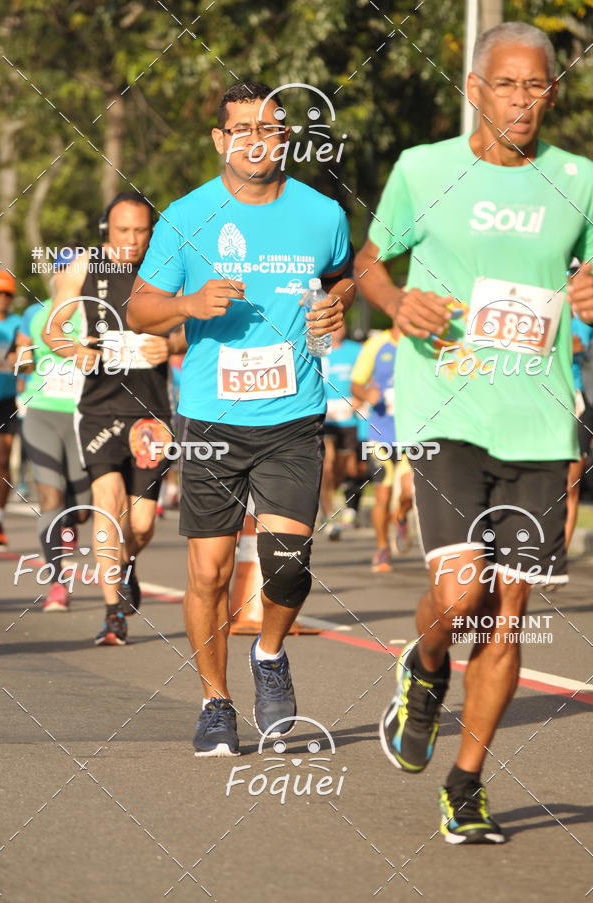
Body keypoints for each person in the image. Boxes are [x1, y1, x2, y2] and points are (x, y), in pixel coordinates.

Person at [355, 22, 593, 844]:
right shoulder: (423, 170)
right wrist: (395, 301)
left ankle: (466, 783)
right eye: (507, 84)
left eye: (537, 85)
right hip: (446, 406)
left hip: (540, 419)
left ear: (551, 92)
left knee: (506, 612)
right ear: (474, 88)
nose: (523, 100)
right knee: (462, 595)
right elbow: (369, 261)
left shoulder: (580, 179)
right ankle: (425, 666)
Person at [127, 81, 354, 756]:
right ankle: (215, 701)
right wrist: (186, 304)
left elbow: (343, 276)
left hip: (293, 414)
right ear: (220, 140)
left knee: (288, 567)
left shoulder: (322, 214)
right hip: (211, 418)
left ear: (286, 138)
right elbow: (138, 307)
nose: (257, 141)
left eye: (271, 129)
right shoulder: (186, 216)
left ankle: (270, 653)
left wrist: (336, 303)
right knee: (210, 573)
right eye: (243, 130)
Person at [44, 193, 186, 645]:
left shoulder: (168, 266)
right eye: (123, 230)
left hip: (151, 414)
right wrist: (75, 350)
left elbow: (198, 324)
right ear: (107, 229)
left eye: (141, 231)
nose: (132, 240)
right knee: (107, 504)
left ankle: (126, 564)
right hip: (99, 409)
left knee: (141, 524)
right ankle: (112, 615)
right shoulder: (84, 266)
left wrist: (173, 344)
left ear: (152, 232)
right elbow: (52, 330)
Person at [15, 249, 91, 611]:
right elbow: (23, 355)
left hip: (82, 417)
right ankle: (58, 582)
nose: (65, 276)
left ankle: (70, 526)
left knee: (82, 510)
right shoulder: (36, 313)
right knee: (50, 498)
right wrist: (21, 361)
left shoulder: (93, 314)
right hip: (42, 413)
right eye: (61, 270)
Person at [351, 325, 413, 570]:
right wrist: (367, 394)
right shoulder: (376, 344)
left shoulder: (422, 341)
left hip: (411, 435)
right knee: (383, 495)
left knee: (409, 492)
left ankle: (401, 515)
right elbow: (356, 384)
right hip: (380, 434)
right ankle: (382, 548)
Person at [320, 323, 362, 539]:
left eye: (340, 325)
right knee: (327, 464)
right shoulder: (317, 348)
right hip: (325, 416)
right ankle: (328, 517)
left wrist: (359, 399)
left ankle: (335, 497)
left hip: (349, 417)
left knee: (346, 468)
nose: (337, 330)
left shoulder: (356, 350)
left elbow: (367, 378)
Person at [0, 270, 21, 548]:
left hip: (6, 401)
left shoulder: (18, 324)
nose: (2, 298)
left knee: (2, 460)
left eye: (7, 294)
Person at [565, 306, 593, 546]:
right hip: (542, 401)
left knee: (570, 485)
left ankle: (558, 557)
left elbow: (578, 346)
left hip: (578, 403)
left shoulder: (585, 319)